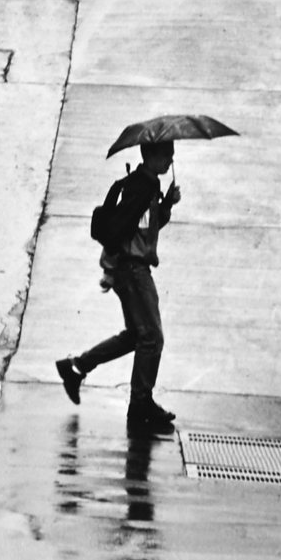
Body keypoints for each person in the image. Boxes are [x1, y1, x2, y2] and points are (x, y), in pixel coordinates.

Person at [55, 140, 182, 436]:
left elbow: (144, 228)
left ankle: (76, 368)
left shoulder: (147, 185)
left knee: (136, 336)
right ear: (150, 155)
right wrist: (111, 269)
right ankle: (140, 403)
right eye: (166, 155)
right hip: (133, 270)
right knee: (151, 338)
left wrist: (165, 205)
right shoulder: (140, 186)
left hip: (132, 268)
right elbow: (121, 229)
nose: (170, 161)